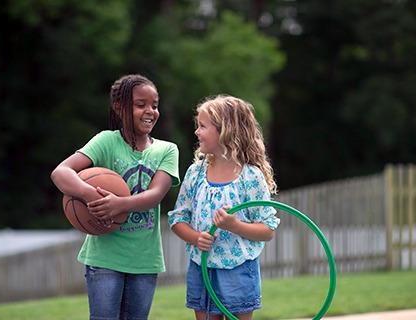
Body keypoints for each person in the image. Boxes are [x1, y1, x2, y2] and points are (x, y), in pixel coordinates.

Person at [51, 74, 180, 320]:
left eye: (155, 105)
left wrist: (119, 204)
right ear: (119, 108)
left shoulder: (167, 150)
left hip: (144, 259)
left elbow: (155, 194)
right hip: (104, 258)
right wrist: (89, 194)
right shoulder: (106, 142)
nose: (150, 111)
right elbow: (61, 172)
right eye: (141, 104)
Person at [168, 95, 279, 320]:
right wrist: (196, 237)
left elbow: (267, 230)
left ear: (225, 130)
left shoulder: (250, 176)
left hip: (238, 269)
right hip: (201, 265)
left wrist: (235, 225)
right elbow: (177, 219)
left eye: (202, 126)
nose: (196, 132)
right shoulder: (195, 173)